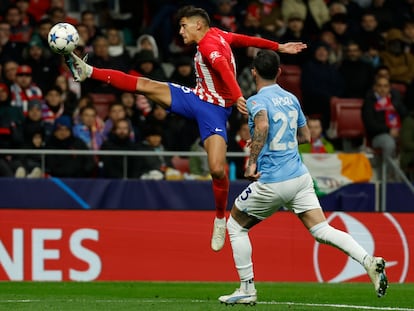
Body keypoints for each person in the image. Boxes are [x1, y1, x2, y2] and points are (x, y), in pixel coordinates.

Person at [65, 5, 307, 252]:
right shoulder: (220, 34)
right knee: (147, 85)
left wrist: (236, 97)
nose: (180, 31)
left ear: (198, 25)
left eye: (183, 25)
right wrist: (278, 46)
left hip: (214, 110)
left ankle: (220, 218)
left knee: (216, 169)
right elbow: (245, 40)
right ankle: (88, 71)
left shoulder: (208, 46)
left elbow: (223, 66)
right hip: (195, 98)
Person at [218, 50, 388, 305]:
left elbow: (263, 125)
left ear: (253, 72)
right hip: (299, 177)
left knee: (235, 226)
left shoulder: (255, 101)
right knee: (321, 229)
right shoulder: (292, 98)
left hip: (273, 181)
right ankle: (368, 261)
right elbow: (306, 136)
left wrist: (252, 161)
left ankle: (247, 288)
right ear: (279, 72)